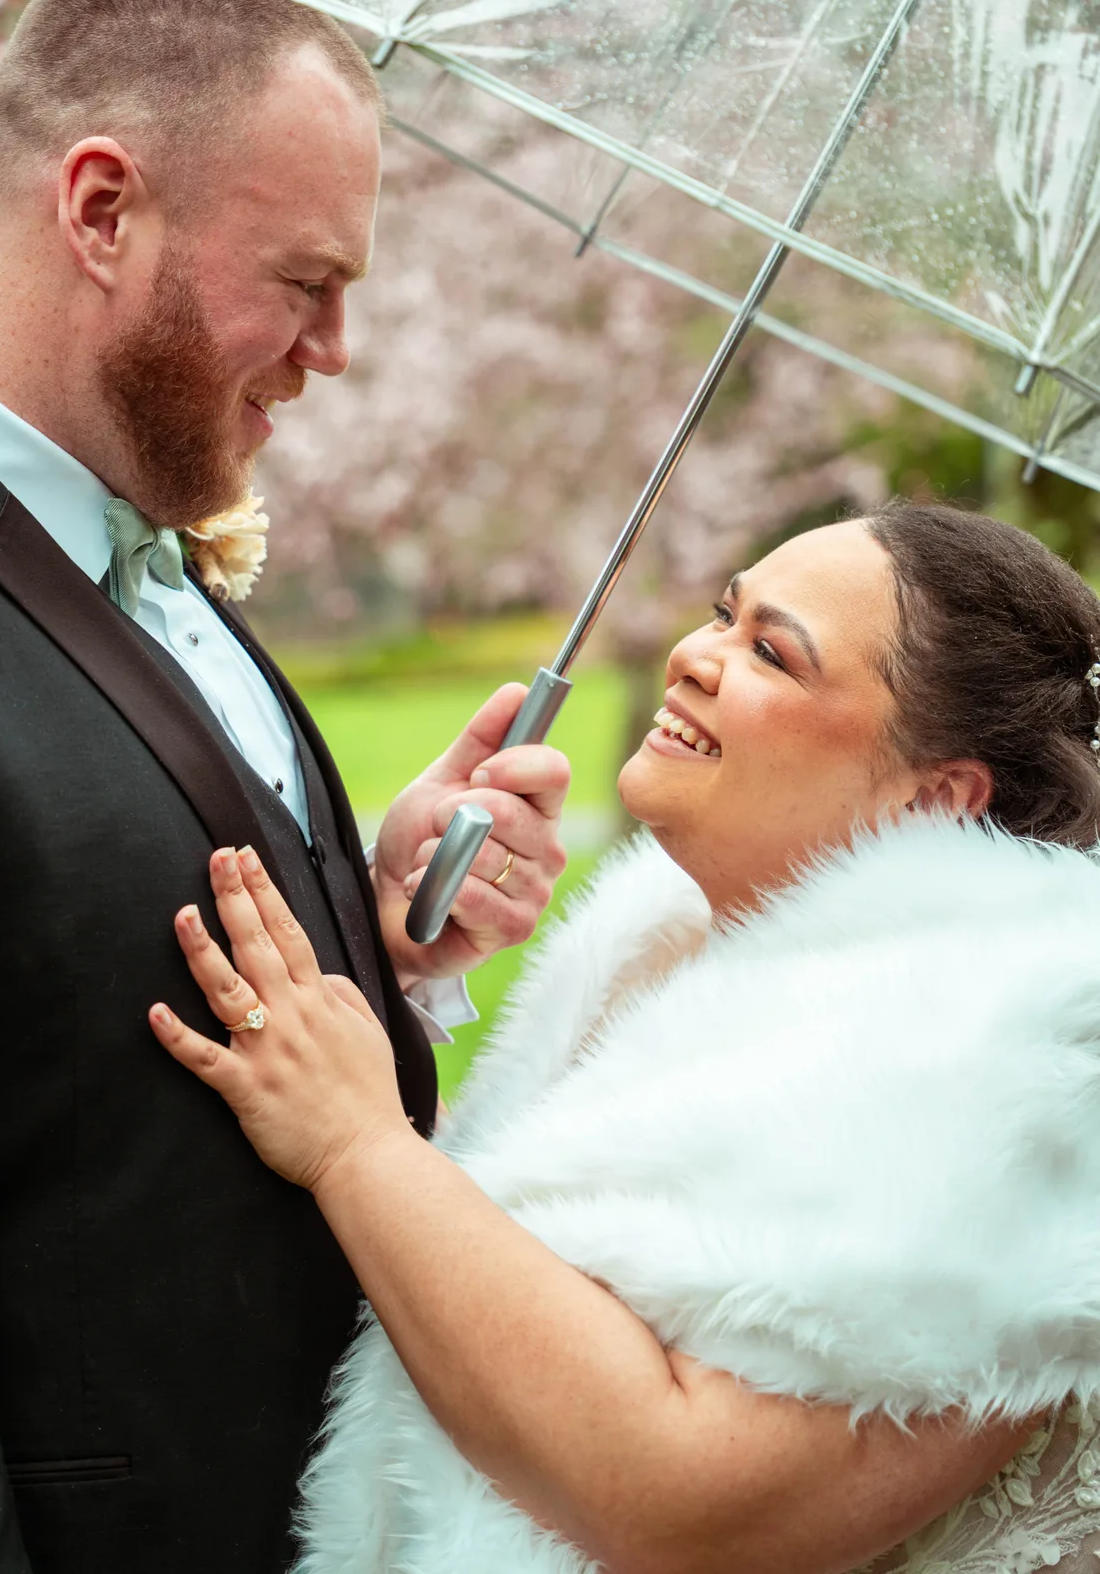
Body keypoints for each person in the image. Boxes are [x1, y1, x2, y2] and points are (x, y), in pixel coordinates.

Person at [0, 0, 570, 1574]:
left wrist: (373, 918)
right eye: (305, 280)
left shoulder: (124, 522)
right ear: (100, 209)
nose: (332, 349)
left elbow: (75, 976)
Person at [153, 501, 1100, 1574]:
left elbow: (687, 1506)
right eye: (723, 612)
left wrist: (360, 1145)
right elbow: (535, 1255)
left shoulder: (1018, 1067)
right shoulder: (649, 945)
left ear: (934, 798)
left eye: (772, 654)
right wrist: (395, 960)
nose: (695, 657)